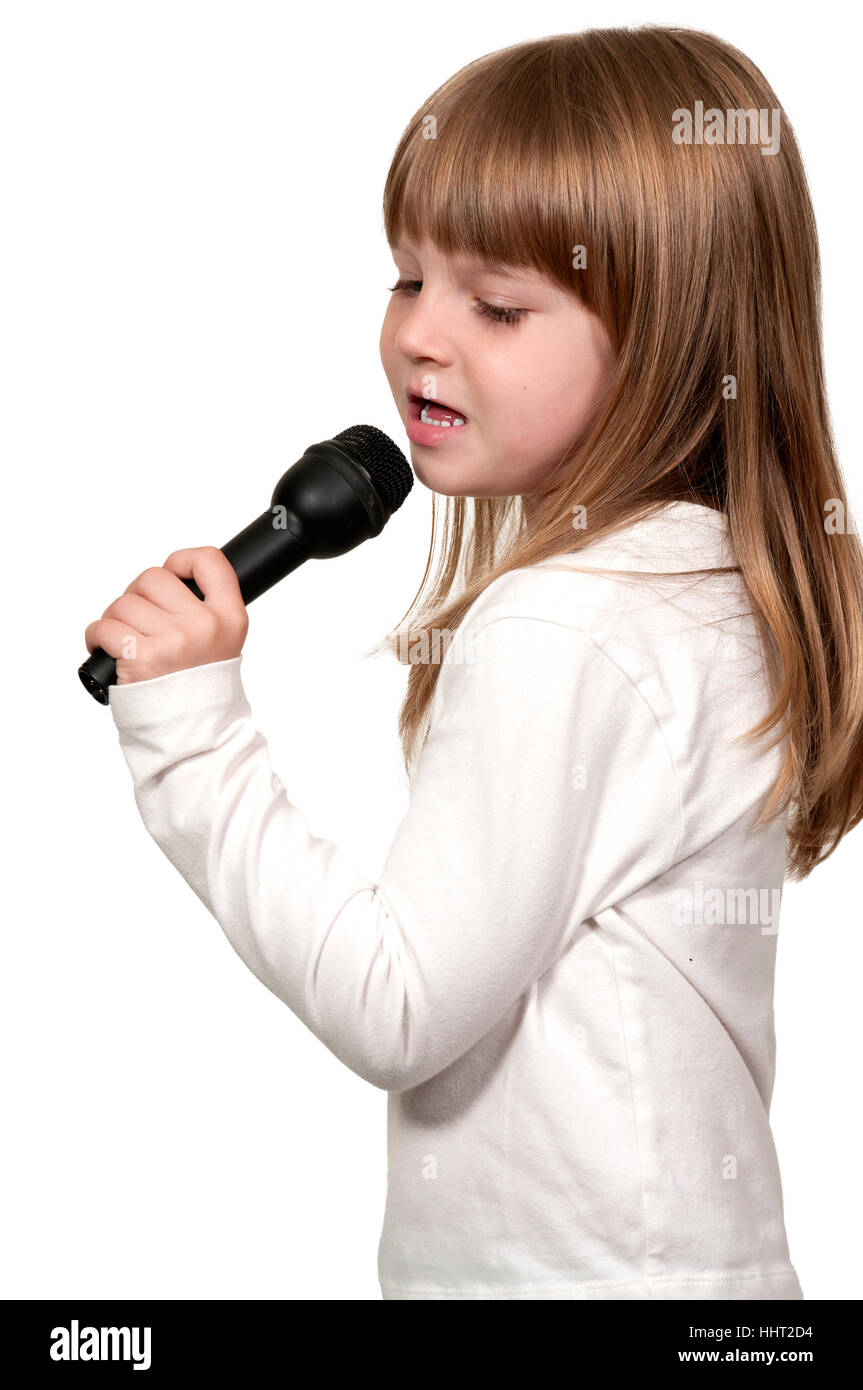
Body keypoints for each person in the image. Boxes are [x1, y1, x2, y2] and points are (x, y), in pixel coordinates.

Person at [84, 27, 863, 1299]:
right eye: (405, 280)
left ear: (670, 335)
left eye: (495, 305)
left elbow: (395, 1005)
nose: (418, 341)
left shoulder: (566, 625)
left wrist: (192, 732)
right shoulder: (696, 582)